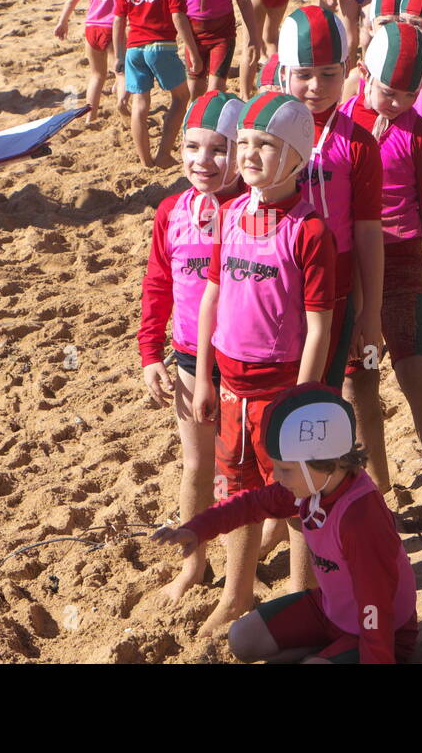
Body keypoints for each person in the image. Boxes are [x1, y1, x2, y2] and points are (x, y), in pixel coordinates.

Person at [190, 92, 337, 635]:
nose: (248, 155)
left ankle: (304, 591)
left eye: (265, 145)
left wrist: (302, 400)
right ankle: (237, 591)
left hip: (283, 386)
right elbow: (211, 298)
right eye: (244, 143)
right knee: (239, 489)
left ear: (297, 156)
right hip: (231, 381)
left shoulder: (311, 230)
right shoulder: (228, 214)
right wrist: (204, 374)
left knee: (300, 493)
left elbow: (319, 325)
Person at [155, 383, 417, 663]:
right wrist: (199, 528)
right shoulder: (313, 486)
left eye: (285, 468)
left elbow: (376, 605)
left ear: (322, 461)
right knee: (242, 638)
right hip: (331, 610)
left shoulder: (359, 519)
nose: (277, 477)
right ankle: (327, 651)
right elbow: (251, 504)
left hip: (382, 632)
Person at [278, 8, 386, 501]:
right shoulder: (267, 133)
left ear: (349, 72)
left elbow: (367, 232)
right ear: (284, 74)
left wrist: (371, 310)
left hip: (337, 287)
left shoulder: (358, 143)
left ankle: (358, 492)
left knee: (337, 392)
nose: (316, 87)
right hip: (277, 285)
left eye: (329, 74)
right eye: (304, 75)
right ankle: (294, 497)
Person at [140, 91, 243, 601]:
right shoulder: (172, 210)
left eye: (218, 149)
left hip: (244, 358)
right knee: (196, 465)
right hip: (186, 355)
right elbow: (158, 282)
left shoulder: (254, 211)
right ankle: (193, 563)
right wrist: (148, 353)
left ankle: (239, 570)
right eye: (192, 147)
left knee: (239, 465)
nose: (202, 162)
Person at [343, 22, 422, 470]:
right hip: (354, 269)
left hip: (402, 261)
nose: (397, 103)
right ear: (363, 74)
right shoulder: (341, 126)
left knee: (418, 372)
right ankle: (378, 486)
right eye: (388, 91)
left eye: (408, 94)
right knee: (362, 382)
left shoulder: (419, 132)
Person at [112, 0, 200, 168]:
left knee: (141, 103)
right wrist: (192, 50)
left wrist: (119, 55)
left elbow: (118, 20)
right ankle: (162, 153)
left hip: (134, 48)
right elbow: (178, 17)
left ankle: (145, 160)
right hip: (161, 45)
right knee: (182, 97)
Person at [54, 0, 128, 126]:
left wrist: (63, 22)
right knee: (121, 73)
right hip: (113, 29)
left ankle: (90, 116)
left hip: (91, 29)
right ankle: (123, 107)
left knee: (96, 75)